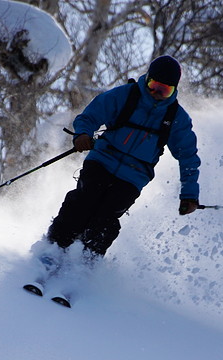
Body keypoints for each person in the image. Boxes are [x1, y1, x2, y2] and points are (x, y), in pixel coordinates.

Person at [44, 55, 202, 263]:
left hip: (134, 176)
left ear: (174, 91)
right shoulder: (125, 96)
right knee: (82, 203)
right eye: (153, 86)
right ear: (146, 79)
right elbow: (89, 116)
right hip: (102, 159)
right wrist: (82, 134)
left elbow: (188, 157)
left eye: (164, 90)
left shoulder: (175, 118)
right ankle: (52, 251)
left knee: (105, 219)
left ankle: (83, 266)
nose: (156, 94)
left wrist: (189, 195)